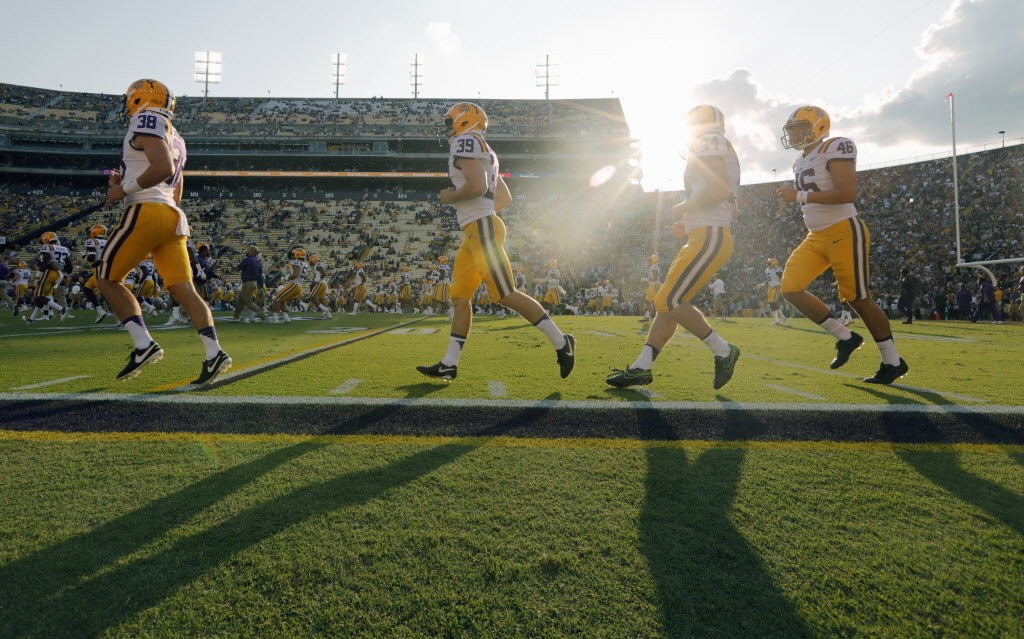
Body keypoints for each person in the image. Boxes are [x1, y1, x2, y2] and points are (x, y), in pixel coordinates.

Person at [417, 102, 574, 381]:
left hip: (481, 229)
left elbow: (478, 187)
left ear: (466, 120)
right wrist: (481, 213)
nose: (448, 126)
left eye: (450, 120)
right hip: (476, 230)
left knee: (505, 294)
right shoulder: (486, 149)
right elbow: (504, 197)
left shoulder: (465, 142)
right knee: (460, 297)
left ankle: (562, 343)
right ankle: (449, 363)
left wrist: (451, 197)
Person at [99, 79, 230, 384]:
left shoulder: (147, 119)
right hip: (172, 216)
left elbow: (163, 168)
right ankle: (214, 352)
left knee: (106, 278)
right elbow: (176, 187)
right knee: (183, 288)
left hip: (148, 211)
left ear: (138, 99)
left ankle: (143, 344)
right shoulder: (176, 137)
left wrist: (124, 191)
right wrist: (126, 184)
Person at [606, 105, 740, 390]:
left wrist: (682, 209)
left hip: (710, 236)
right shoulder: (713, 147)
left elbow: (717, 190)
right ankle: (643, 366)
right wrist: (691, 219)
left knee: (670, 300)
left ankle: (723, 350)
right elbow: (729, 203)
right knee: (666, 302)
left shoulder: (712, 141)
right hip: (704, 234)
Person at [775, 105, 907, 384]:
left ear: (819, 127)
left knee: (857, 298)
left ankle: (892, 361)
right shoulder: (799, 160)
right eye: (792, 130)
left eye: (799, 128)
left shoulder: (835, 146)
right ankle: (845, 336)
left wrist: (798, 196)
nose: (795, 135)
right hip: (816, 235)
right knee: (790, 287)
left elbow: (847, 193)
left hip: (844, 229)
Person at [23, 231, 71, 324]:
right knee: (44, 296)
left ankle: (61, 309)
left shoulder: (47, 247)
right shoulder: (64, 249)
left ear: (46, 239)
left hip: (49, 272)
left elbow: (46, 260)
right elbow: (69, 266)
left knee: (39, 296)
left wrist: (39, 274)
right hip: (58, 274)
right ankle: (31, 319)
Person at [232, 245, 267, 322]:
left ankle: (263, 315)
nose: (247, 252)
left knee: (248, 302)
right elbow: (260, 276)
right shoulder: (258, 262)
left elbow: (238, 268)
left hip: (247, 282)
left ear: (251, 251)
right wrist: (260, 286)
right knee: (240, 300)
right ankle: (236, 317)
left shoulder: (247, 259)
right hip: (254, 283)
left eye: (248, 250)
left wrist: (232, 267)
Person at [761, 258, 785, 325]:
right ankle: (776, 320)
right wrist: (763, 284)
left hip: (776, 286)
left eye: (769, 263)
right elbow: (769, 280)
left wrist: (778, 269)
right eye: (768, 263)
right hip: (770, 287)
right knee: (771, 303)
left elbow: (781, 277)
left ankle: (783, 317)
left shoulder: (777, 269)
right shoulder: (767, 270)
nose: (768, 264)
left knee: (774, 302)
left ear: (774, 263)